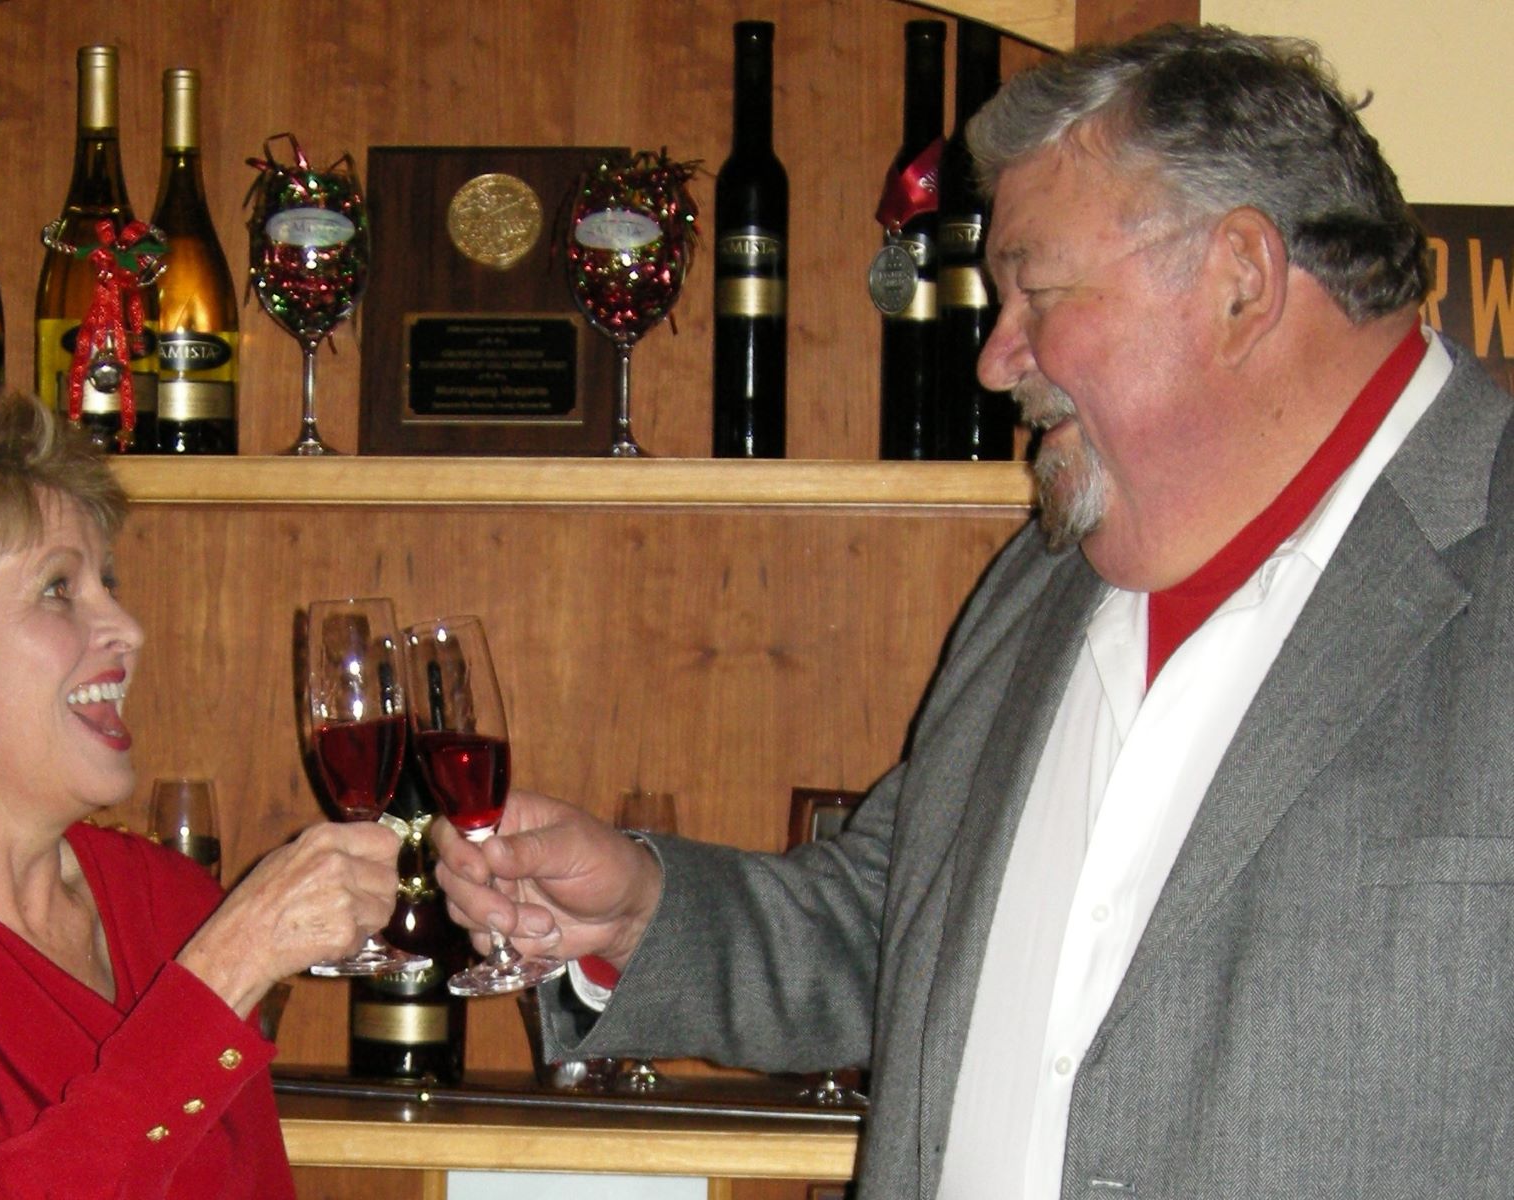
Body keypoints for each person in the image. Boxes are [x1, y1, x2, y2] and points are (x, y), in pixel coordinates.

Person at [434, 24, 1514, 1199]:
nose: (997, 359)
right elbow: (891, 919)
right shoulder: (1042, 579)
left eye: (1035, 291)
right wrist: (641, 911)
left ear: (1240, 280)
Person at [0, 390, 403, 1198]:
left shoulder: (165, 897)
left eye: (108, 583)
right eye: (59, 589)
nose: (127, 627)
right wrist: (233, 964)